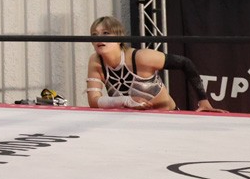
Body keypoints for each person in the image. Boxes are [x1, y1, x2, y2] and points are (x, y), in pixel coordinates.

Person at [85, 15, 226, 112]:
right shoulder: (95, 61)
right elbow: (93, 101)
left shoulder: (141, 57)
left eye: (106, 33)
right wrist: (125, 100)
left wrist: (203, 100)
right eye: (94, 35)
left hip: (167, 117)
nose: (99, 38)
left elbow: (185, 63)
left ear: (119, 37)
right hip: (131, 123)